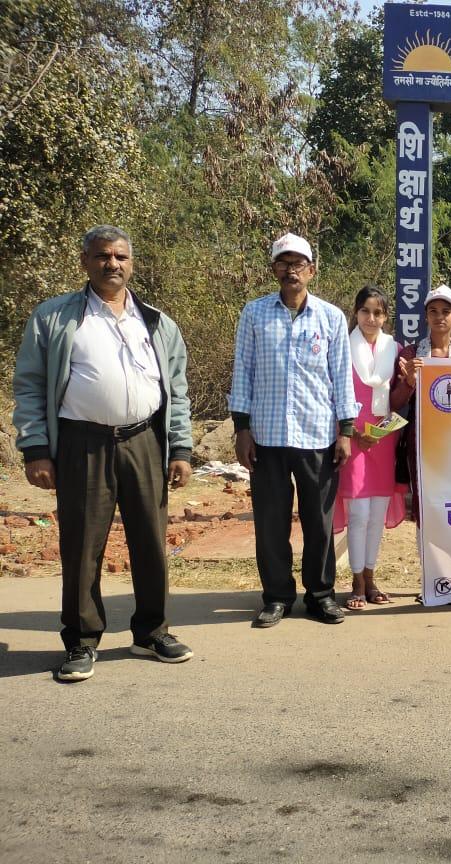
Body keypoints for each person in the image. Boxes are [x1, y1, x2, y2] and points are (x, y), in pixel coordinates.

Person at [12, 225, 194, 681]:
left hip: (144, 441)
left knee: (150, 542)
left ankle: (152, 632)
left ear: (131, 263)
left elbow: (177, 389)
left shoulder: (156, 321)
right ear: (85, 262)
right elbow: (30, 385)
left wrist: (180, 447)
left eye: (120, 256)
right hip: (82, 443)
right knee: (82, 545)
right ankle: (81, 640)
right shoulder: (55, 318)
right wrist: (35, 448)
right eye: (102, 256)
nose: (112, 264)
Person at [229, 233, 357, 628]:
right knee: (271, 523)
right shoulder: (254, 313)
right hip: (266, 436)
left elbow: (341, 376)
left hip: (317, 434)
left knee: (319, 524)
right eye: (283, 263)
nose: (291, 271)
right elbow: (243, 371)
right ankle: (277, 597)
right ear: (274, 269)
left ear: (311, 270)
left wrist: (346, 429)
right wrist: (242, 428)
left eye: (298, 263)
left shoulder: (330, 317)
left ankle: (320, 595)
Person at [337, 286, 406, 609]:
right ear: (356, 312)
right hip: (352, 437)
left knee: (376, 514)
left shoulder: (395, 349)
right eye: (365, 311)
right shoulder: (342, 346)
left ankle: (371, 576)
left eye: (378, 312)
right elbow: (334, 393)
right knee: (359, 514)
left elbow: (398, 399)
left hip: (382, 438)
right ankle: (356, 582)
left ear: (386, 317)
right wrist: (351, 432)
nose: (371, 318)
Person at [390, 284, 451, 526]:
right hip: (421, 442)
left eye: (446, 311)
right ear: (426, 316)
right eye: (433, 311)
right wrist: (409, 383)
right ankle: (425, 548)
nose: (439, 317)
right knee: (424, 502)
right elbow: (395, 403)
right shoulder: (412, 354)